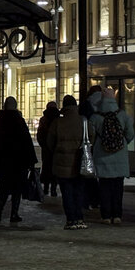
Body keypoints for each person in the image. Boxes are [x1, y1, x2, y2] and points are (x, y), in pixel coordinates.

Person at [47, 94, 95, 230]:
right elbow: (92, 137)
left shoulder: (58, 122)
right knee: (79, 191)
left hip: (62, 164)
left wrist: (58, 151)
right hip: (80, 162)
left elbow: (50, 143)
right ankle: (80, 218)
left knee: (67, 192)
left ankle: (71, 219)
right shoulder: (83, 121)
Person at [89, 87, 135, 224]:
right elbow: (130, 134)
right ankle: (117, 215)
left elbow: (90, 137)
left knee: (104, 188)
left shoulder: (95, 117)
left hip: (102, 157)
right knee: (117, 188)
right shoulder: (123, 115)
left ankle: (106, 215)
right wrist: (122, 143)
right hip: (119, 157)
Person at [0, 96, 38, 223]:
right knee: (17, 190)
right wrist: (31, 161)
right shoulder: (18, 120)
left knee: (3, 189)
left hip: (4, 161)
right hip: (19, 162)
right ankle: (13, 214)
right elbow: (27, 142)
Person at [79, 85, 103, 210]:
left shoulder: (84, 107)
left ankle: (88, 200)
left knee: (88, 174)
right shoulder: (102, 107)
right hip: (97, 146)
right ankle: (95, 199)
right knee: (92, 175)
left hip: (86, 145)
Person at [36, 101, 60, 197]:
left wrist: (43, 145)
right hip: (56, 148)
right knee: (55, 168)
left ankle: (46, 188)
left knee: (46, 167)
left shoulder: (44, 119)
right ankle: (53, 189)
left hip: (46, 148)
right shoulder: (58, 119)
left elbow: (39, 135)